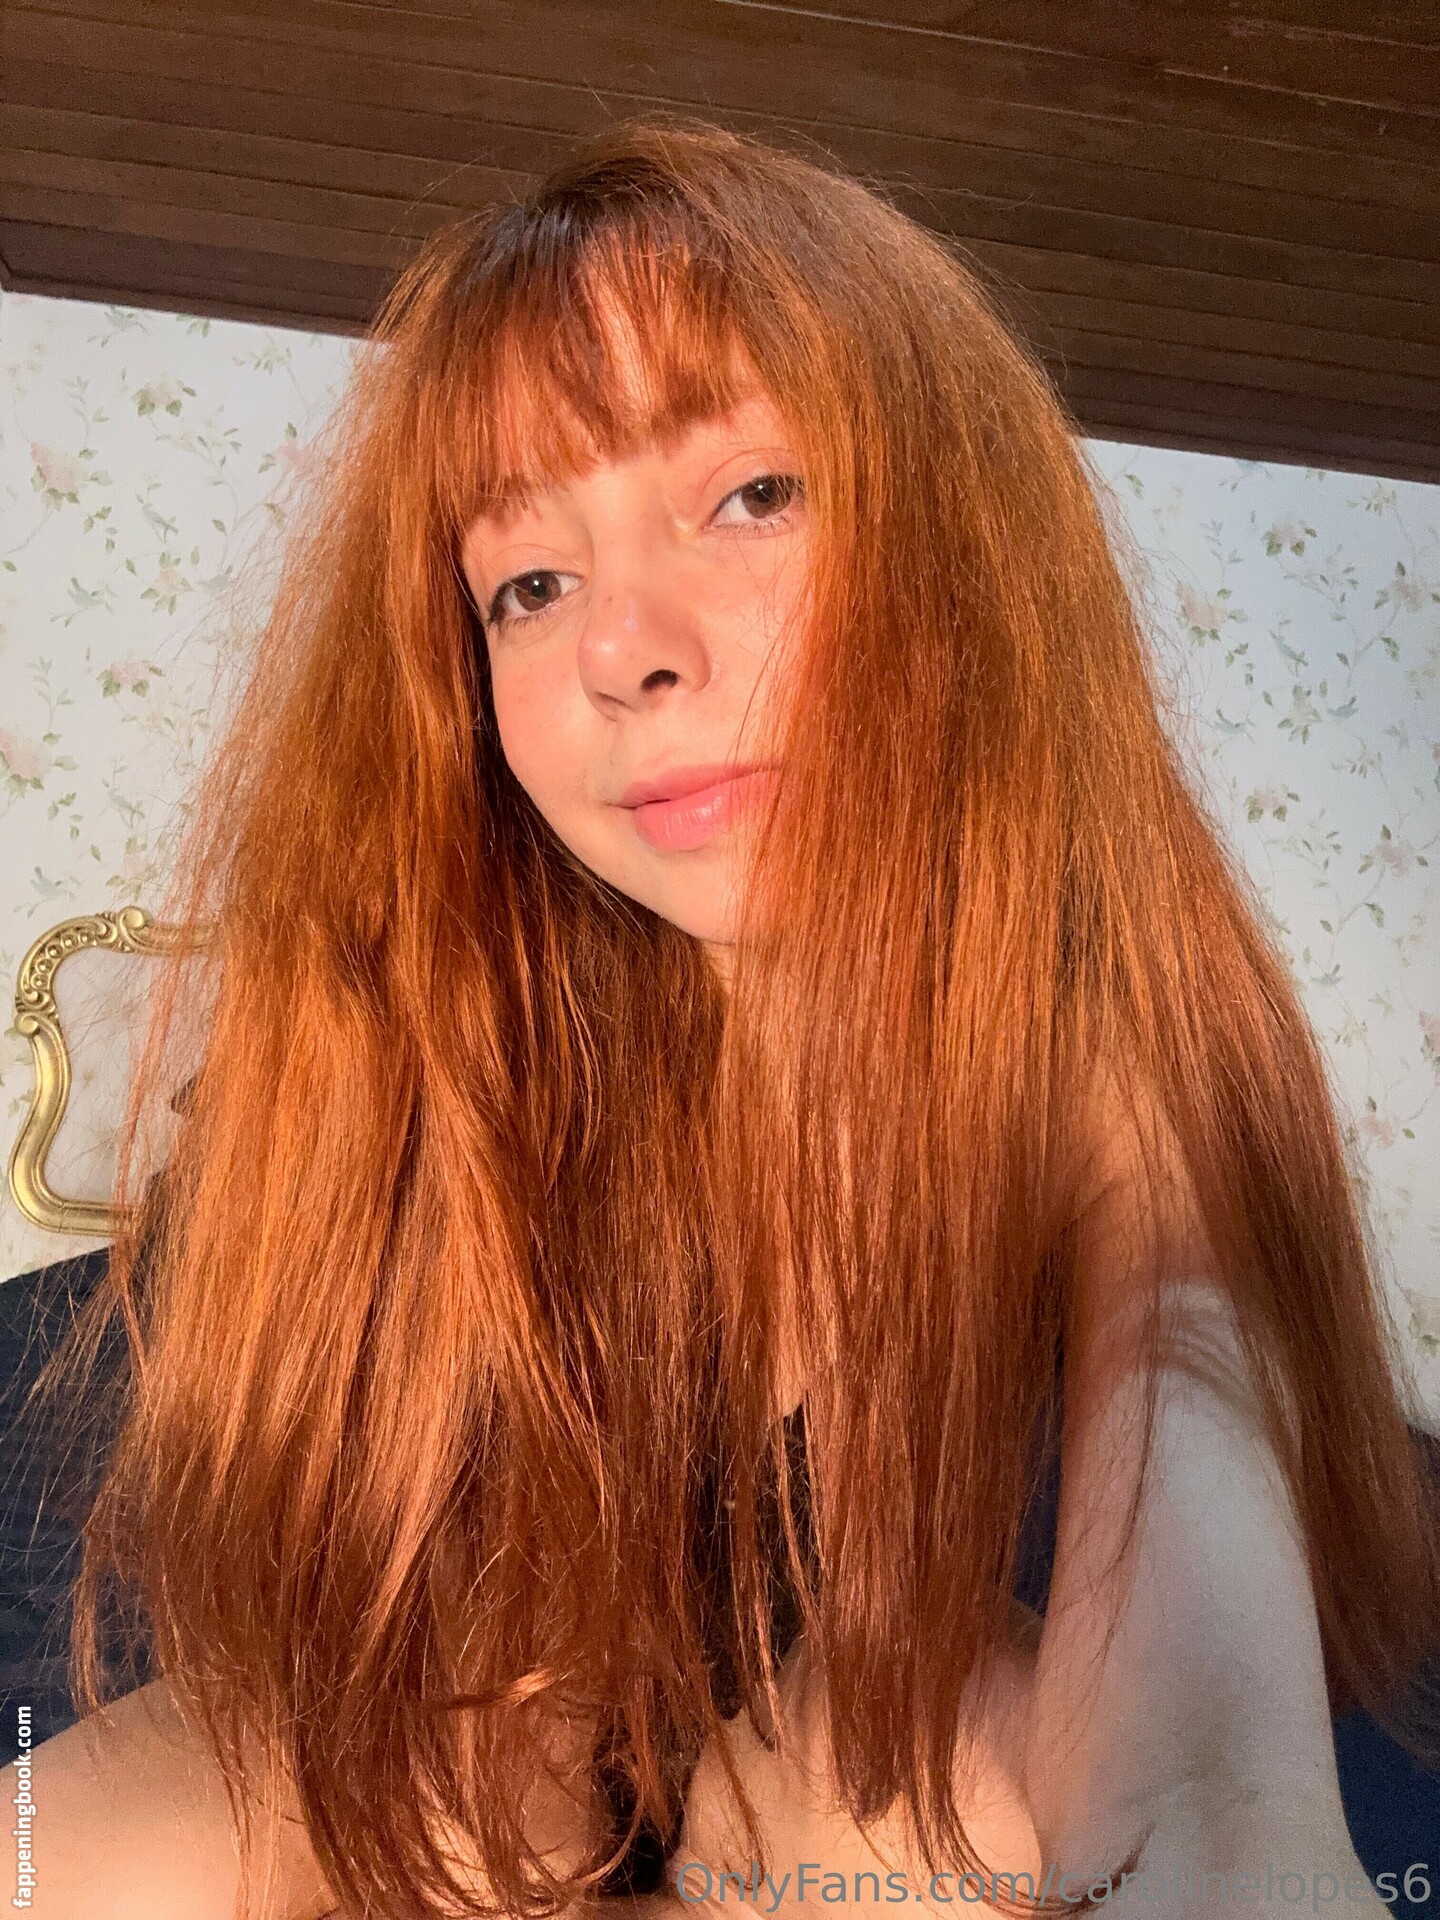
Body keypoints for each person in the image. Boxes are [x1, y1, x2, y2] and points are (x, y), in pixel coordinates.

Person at [6, 115, 1440, 1920]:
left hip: (842, 1807)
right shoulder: (471, 1035)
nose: (625, 649)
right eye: (529, 584)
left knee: (889, 1790)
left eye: (752, 495)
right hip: (501, 1754)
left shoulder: (1124, 1070)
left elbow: (1211, 1792)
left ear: (968, 544)